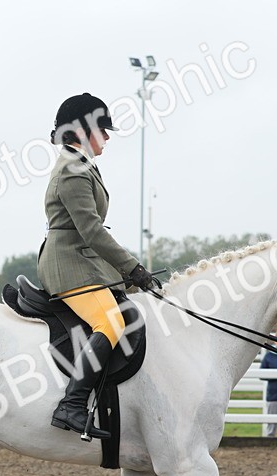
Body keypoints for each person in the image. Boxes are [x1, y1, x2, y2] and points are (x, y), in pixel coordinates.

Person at [36, 92, 160, 440]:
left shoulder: (81, 165)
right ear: (83, 130)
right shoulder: (73, 170)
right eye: (102, 130)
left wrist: (128, 275)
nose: (106, 136)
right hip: (69, 264)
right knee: (109, 321)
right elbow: (90, 230)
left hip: (82, 260)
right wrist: (132, 267)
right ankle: (72, 404)